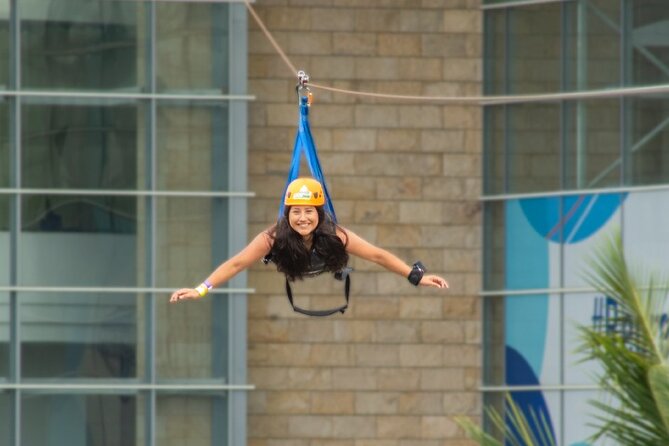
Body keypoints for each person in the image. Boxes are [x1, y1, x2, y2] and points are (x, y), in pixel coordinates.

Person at [170, 177, 448, 303]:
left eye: (309, 212)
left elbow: (377, 255)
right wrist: (201, 289)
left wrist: (416, 276)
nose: (303, 218)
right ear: (288, 213)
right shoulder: (272, 238)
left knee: (337, 249)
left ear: (319, 213)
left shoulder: (334, 234)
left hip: (326, 260)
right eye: (297, 212)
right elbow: (237, 264)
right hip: (294, 263)